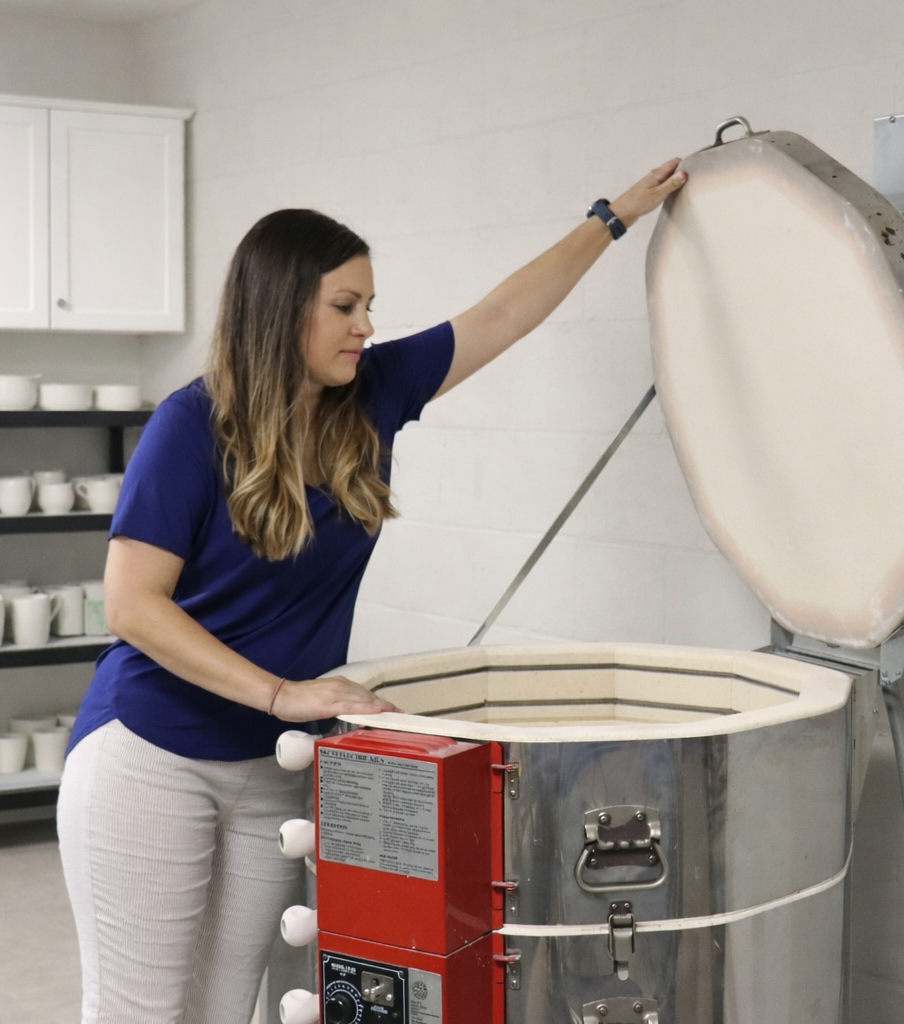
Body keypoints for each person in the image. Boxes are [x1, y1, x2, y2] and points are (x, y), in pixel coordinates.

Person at [56, 157, 688, 1023]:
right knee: (142, 1011)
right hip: (149, 755)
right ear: (282, 313)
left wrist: (610, 219)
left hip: (270, 770)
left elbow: (501, 315)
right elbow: (131, 607)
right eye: (345, 306)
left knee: (222, 1008)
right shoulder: (192, 425)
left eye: (369, 306)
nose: (365, 325)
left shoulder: (372, 394)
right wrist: (281, 692)